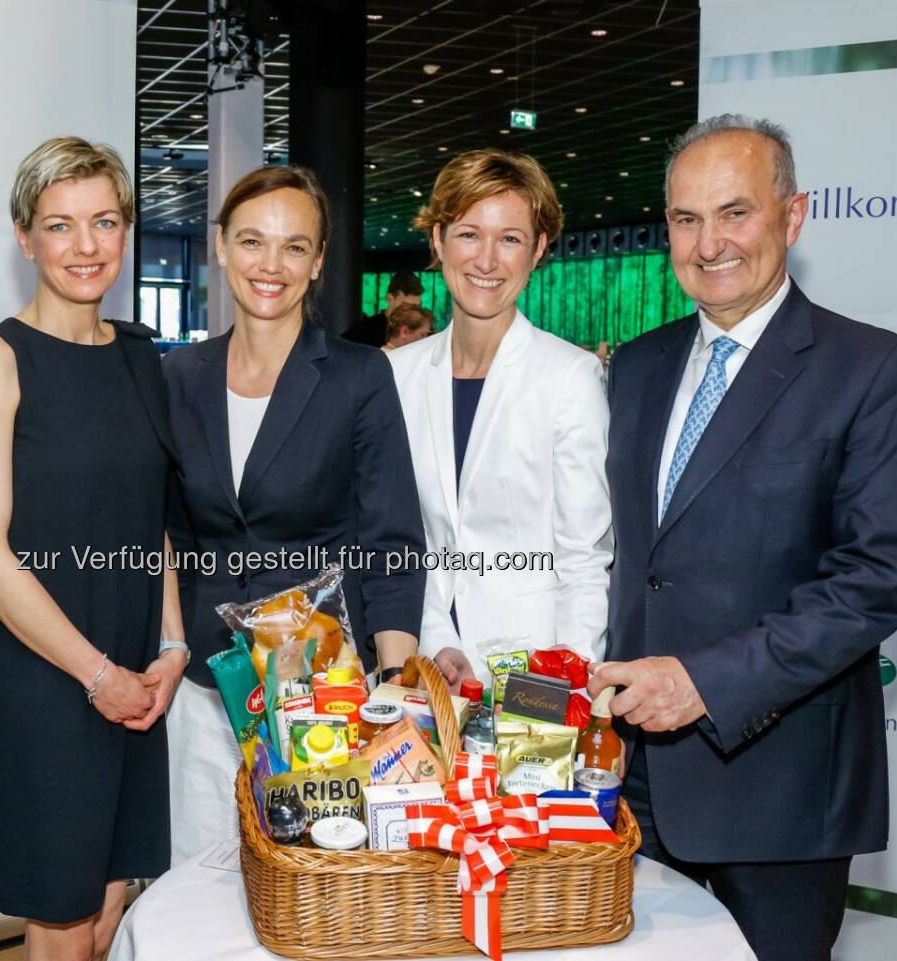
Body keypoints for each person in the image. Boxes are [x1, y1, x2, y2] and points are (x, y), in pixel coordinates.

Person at [590, 115, 897, 961]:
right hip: (632, 787)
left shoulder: (874, 369)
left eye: (735, 212)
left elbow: (872, 581)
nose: (710, 244)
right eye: (685, 219)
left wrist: (705, 682)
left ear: (794, 214)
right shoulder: (634, 366)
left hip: (781, 793)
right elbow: (632, 562)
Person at [0, 137, 183, 961]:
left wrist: (173, 647)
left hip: (135, 677)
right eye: (60, 225)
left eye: (104, 221)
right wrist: (97, 675)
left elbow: (155, 525)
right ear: (24, 236)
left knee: (116, 896)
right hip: (49, 680)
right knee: (62, 914)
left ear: (126, 231)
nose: (85, 246)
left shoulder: (143, 356)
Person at [164, 166, 425, 863]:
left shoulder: (358, 375)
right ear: (220, 245)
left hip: (323, 691)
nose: (269, 265)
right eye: (252, 241)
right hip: (205, 687)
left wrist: (393, 692)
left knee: (314, 893)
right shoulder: (178, 376)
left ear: (316, 263)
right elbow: (167, 537)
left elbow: (392, 537)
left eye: (294, 246)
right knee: (198, 892)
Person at [388, 148, 612, 688]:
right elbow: (396, 539)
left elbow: (584, 557)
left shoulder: (570, 376)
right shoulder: (396, 373)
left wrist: (567, 689)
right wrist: (438, 639)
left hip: (534, 675)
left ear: (537, 251)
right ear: (438, 241)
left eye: (509, 238)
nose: (486, 260)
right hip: (425, 665)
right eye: (469, 234)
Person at [342, 269, 424, 346]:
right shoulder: (363, 330)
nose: (411, 311)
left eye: (416, 307)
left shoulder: (419, 333)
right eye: (406, 305)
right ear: (390, 298)